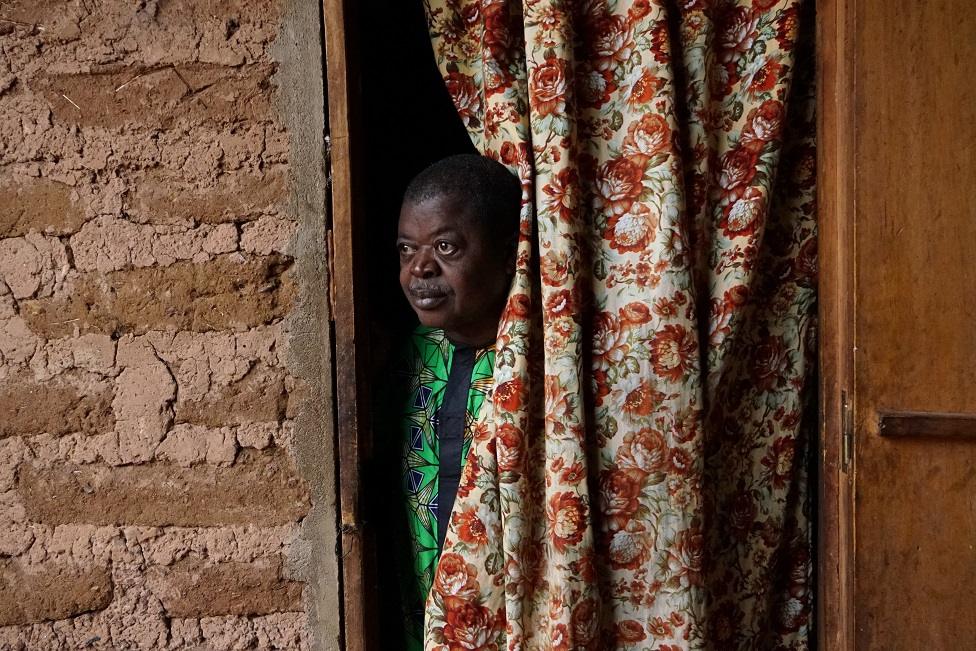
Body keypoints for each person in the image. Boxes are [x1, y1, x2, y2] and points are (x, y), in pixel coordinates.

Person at [385, 153, 521, 649]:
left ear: (509, 255)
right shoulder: (408, 361)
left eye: (446, 246)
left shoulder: (540, 363)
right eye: (406, 249)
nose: (420, 267)